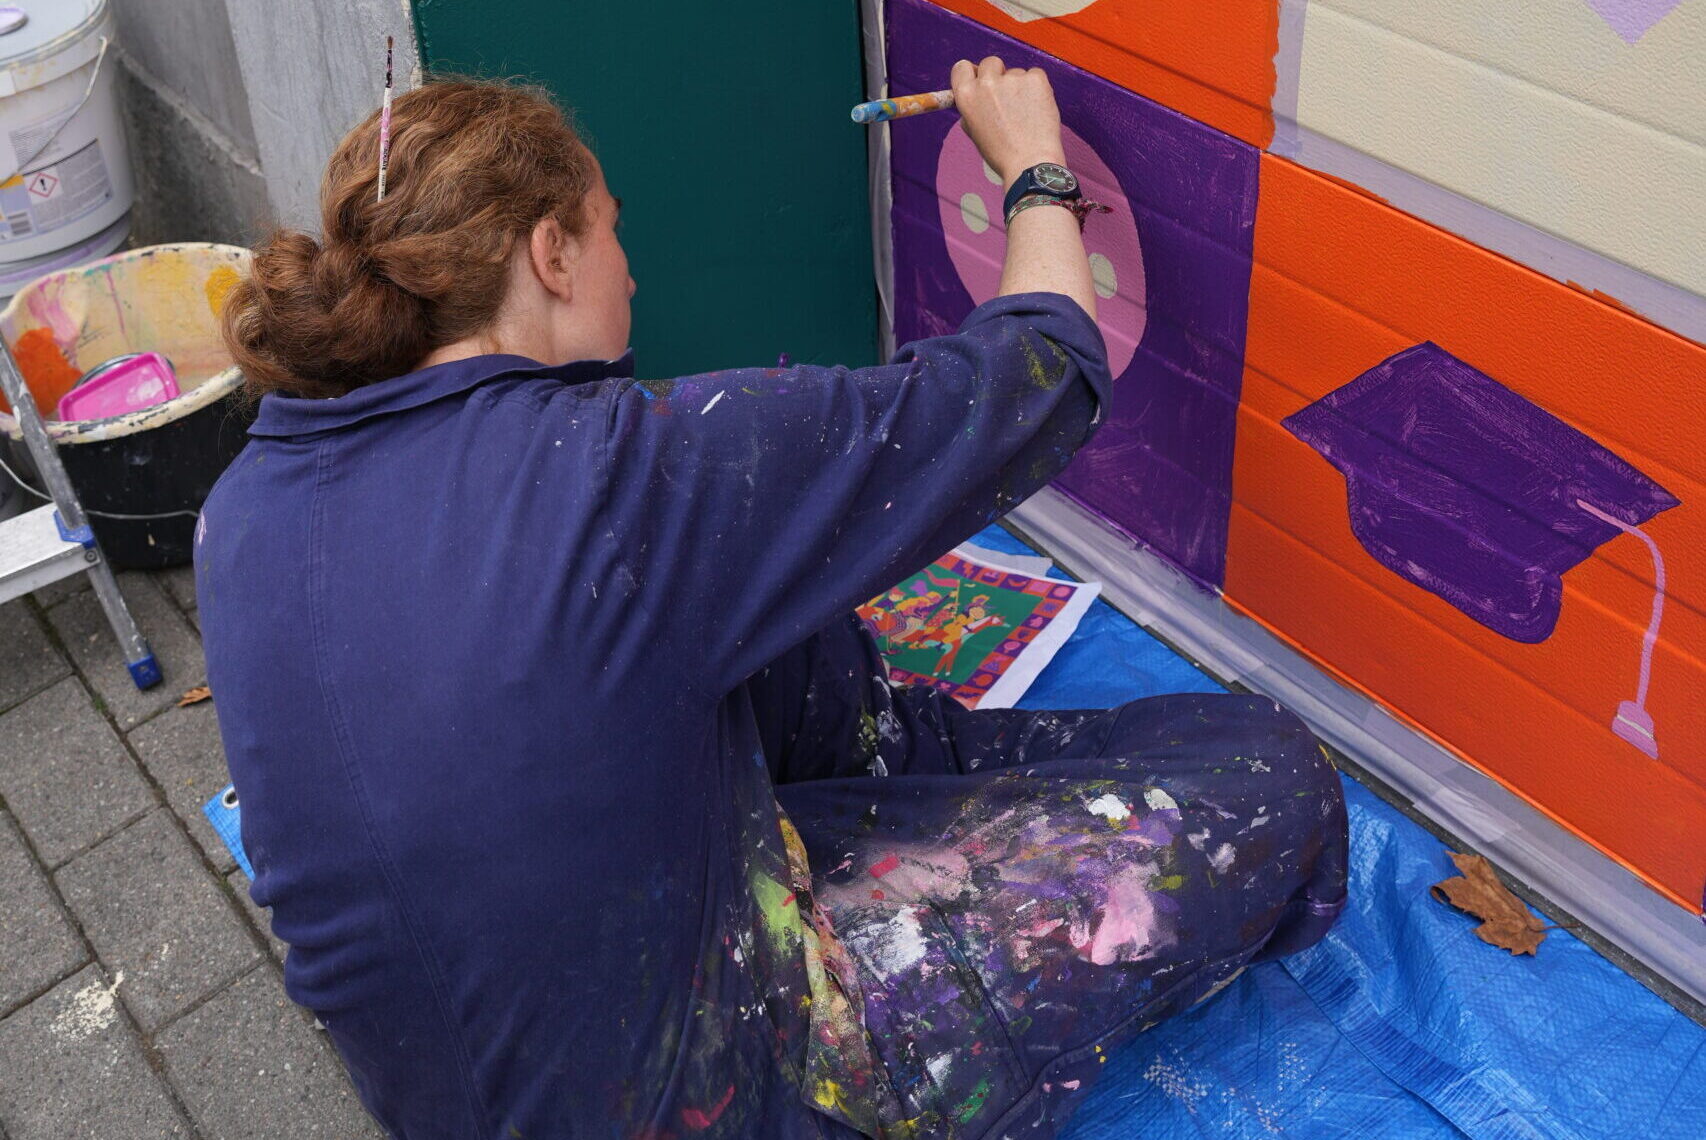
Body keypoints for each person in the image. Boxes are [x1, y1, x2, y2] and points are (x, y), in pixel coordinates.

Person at [200, 62, 1347, 1140]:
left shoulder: (243, 503)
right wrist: (1035, 171)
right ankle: (919, 831)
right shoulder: (612, 479)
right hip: (706, 1094)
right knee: (1266, 772)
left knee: (763, 590)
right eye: (611, 229)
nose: (630, 269)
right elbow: (1035, 374)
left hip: (462, 1076)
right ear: (551, 254)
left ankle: (907, 765)